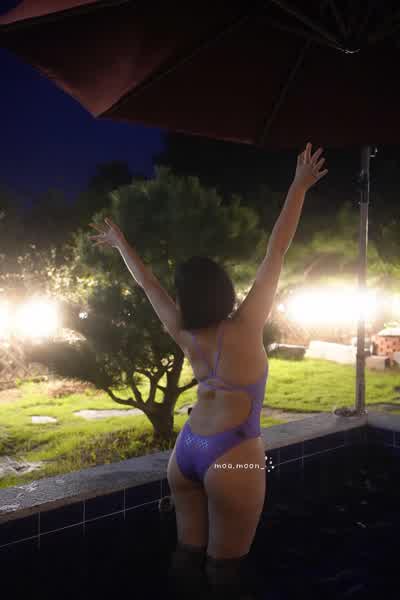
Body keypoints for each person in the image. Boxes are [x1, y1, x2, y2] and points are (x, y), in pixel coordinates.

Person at [89, 142, 328, 599]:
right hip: (234, 456)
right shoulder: (247, 324)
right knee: (225, 570)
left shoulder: (183, 331)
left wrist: (122, 245)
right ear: (223, 290)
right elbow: (277, 250)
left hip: (188, 451)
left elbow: (148, 284)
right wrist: (298, 186)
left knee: (187, 554)